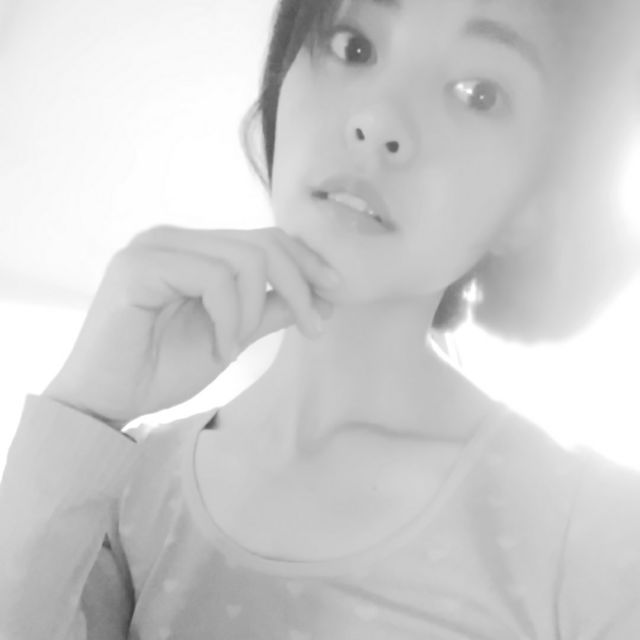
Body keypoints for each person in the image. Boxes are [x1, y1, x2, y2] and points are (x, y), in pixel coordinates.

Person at [1, 0, 639, 638]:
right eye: (353, 46)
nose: (378, 120)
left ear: (534, 206)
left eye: (480, 94)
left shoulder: (597, 533)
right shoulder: (120, 482)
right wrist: (83, 405)